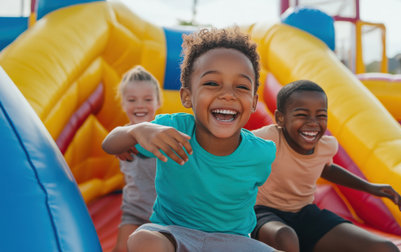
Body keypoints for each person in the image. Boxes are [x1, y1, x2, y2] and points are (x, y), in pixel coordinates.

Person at [102, 27, 277, 252]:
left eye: (241, 86)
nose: (227, 94)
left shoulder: (261, 153)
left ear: (253, 102)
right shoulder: (171, 129)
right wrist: (137, 131)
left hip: (232, 242)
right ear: (187, 96)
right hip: (173, 233)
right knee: (144, 241)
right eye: (212, 83)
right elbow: (109, 144)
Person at [251, 80, 401, 252]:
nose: (313, 122)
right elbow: (229, 152)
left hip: (305, 213)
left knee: (385, 248)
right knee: (285, 237)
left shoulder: (326, 145)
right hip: (263, 212)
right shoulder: (266, 139)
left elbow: (325, 168)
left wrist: (370, 187)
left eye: (321, 115)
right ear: (281, 118)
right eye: (302, 114)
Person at [111, 65, 163, 252]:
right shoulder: (120, 137)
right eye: (132, 100)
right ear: (123, 104)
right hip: (134, 212)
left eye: (147, 99)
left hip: (165, 214)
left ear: (158, 102)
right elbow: (109, 143)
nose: (140, 105)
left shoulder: (163, 132)